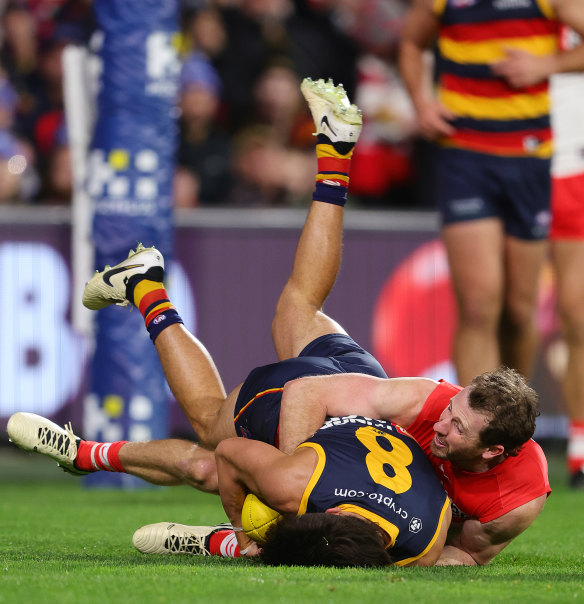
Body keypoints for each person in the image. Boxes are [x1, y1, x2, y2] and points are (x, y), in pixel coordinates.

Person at [7, 78, 451, 568]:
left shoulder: (429, 535)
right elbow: (230, 456)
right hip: (294, 406)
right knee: (207, 441)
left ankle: (334, 155)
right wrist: (242, 538)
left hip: (363, 387)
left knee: (298, 305)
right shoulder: (312, 499)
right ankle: (145, 289)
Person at [398, 0, 584, 387]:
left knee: (518, 312)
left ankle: (514, 421)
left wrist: (548, 64)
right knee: (479, 305)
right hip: (464, 158)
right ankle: (474, 428)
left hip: (530, 158)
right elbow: (411, 43)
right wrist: (420, 102)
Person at [549, 24, 584, 489]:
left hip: (574, 165)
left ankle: (579, 443)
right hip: (519, 158)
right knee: (501, 309)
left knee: (579, 316)